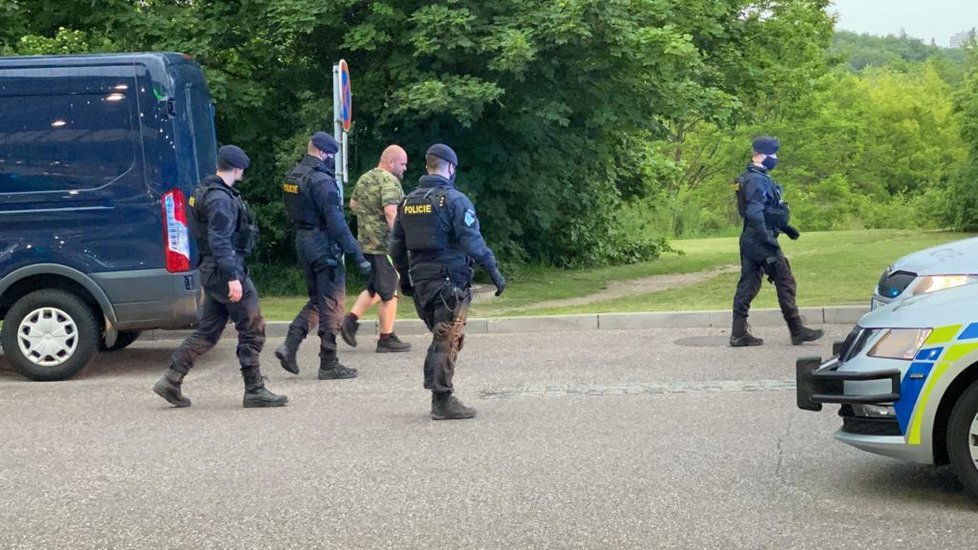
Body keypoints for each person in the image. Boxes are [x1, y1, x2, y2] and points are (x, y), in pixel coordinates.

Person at [153, 145, 287, 408]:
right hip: (225, 269)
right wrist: (232, 277)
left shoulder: (203, 192)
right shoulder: (221, 199)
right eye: (242, 171)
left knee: (208, 331)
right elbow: (220, 240)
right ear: (237, 169)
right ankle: (254, 389)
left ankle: (171, 380)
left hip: (210, 270)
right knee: (253, 327)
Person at [390, 143, 505, 420]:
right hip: (449, 279)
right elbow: (472, 242)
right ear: (451, 168)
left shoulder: (408, 201)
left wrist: (404, 279)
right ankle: (442, 399)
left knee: (441, 334)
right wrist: (494, 272)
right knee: (448, 337)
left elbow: (396, 245)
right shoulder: (455, 200)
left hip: (421, 281)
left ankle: (439, 392)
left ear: (427, 166)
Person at [275, 132, 372, 380]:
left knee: (318, 300)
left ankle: (290, 345)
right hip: (323, 245)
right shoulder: (322, 181)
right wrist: (357, 255)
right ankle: (329, 362)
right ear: (321, 152)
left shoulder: (294, 176)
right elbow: (337, 223)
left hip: (303, 242)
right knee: (333, 303)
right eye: (330, 155)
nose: (331, 159)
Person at [730, 136, 823, 347]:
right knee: (785, 280)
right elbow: (755, 213)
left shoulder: (753, 176)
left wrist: (785, 228)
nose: (775, 158)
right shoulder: (757, 180)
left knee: (748, 285)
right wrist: (768, 241)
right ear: (762, 155)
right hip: (760, 240)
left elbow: (767, 211)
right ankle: (796, 329)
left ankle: (738, 333)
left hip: (750, 240)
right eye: (773, 154)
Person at [340, 145, 412, 353]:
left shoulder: (365, 178)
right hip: (384, 245)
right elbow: (391, 212)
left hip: (366, 242)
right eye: (402, 164)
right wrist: (401, 240)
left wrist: (368, 217)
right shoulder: (389, 181)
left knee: (376, 287)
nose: (404, 168)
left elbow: (353, 205)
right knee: (390, 291)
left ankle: (350, 321)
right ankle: (386, 338)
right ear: (390, 162)